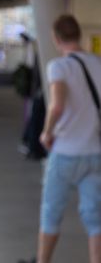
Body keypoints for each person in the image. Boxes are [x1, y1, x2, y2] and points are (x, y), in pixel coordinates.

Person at [36, 15, 101, 263]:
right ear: (78, 35)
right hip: (94, 152)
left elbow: (57, 106)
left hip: (65, 153)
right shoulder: (98, 63)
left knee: (51, 212)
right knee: (95, 218)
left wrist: (47, 132)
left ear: (56, 38)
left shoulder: (59, 66)